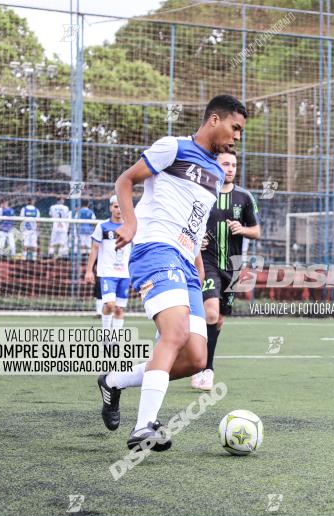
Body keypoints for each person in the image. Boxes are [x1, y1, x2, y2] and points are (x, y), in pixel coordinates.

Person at [97, 94, 247, 452]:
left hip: (187, 263)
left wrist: (198, 271)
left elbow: (194, 225)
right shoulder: (172, 147)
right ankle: (143, 427)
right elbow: (126, 180)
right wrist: (130, 223)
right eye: (235, 127)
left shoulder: (213, 173)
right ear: (214, 119)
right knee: (175, 331)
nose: (237, 136)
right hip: (154, 249)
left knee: (196, 358)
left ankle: (114, 382)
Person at [191, 148, 260, 391]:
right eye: (225, 164)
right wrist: (196, 240)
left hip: (233, 265)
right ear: (215, 166)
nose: (230, 168)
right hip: (207, 262)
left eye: (233, 164)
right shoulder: (202, 194)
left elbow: (256, 230)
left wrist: (242, 229)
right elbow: (188, 225)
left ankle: (204, 363)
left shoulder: (244, 197)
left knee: (219, 319)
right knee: (210, 313)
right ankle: (204, 368)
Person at [85, 195, 132, 337]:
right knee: (110, 304)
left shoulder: (130, 227)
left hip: (125, 273)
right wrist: (89, 271)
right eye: (116, 206)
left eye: (121, 207)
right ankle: (106, 334)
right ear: (111, 208)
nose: (119, 210)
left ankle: (115, 340)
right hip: (107, 272)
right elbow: (94, 249)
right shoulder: (102, 226)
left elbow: (136, 249)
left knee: (119, 309)